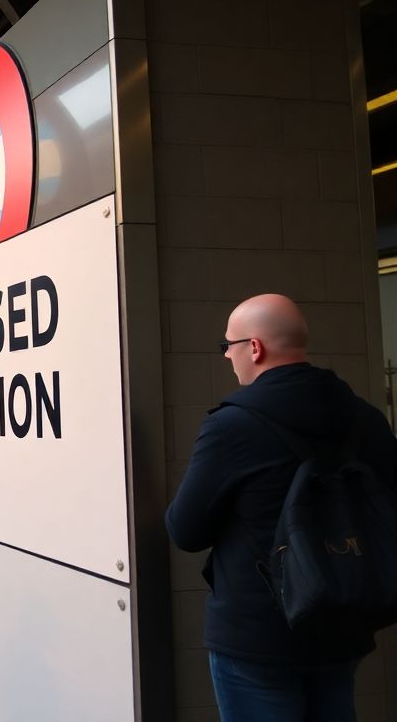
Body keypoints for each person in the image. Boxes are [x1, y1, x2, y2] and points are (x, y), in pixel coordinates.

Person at [166, 293, 397, 721]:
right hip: (344, 619)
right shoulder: (366, 418)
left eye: (228, 347)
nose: (227, 359)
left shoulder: (232, 424)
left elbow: (186, 530)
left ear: (254, 347)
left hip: (257, 634)